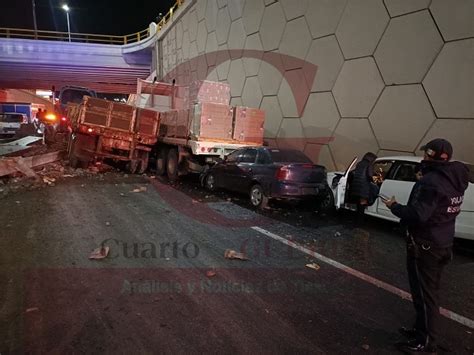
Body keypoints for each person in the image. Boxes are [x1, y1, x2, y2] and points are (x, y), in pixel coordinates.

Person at [383, 138, 469, 354]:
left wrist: (394, 206)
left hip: (425, 246)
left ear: (431, 154)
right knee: (427, 293)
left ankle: (427, 341)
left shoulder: (431, 183)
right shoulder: (453, 179)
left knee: (424, 295)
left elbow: (418, 215)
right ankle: (420, 329)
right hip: (443, 243)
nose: (423, 156)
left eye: (426, 153)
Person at [348, 152, 378, 224]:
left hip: (356, 187)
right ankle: (359, 222)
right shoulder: (369, 164)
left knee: (358, 205)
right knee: (362, 205)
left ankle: (356, 221)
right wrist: (374, 181)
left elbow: (353, 173)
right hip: (364, 188)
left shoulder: (359, 163)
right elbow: (370, 175)